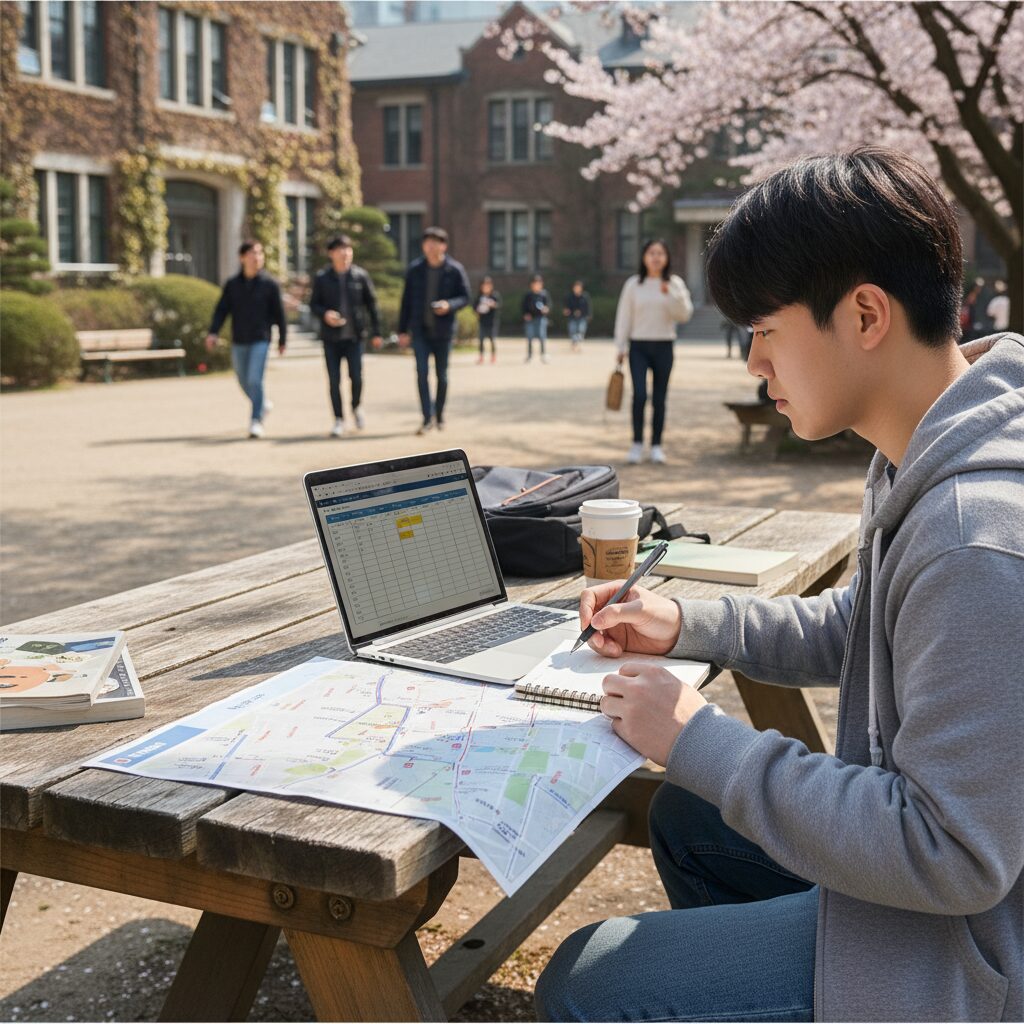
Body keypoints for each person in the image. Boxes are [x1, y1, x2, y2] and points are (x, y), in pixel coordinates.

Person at [536, 148, 1023, 1023]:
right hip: (948, 897)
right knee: (688, 819)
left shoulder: (972, 536)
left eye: (763, 329)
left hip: (968, 952)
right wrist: (684, 619)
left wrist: (701, 736)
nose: (753, 363)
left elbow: (948, 853)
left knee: (586, 981)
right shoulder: (933, 440)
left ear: (865, 313)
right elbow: (856, 626)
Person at [613, 239, 693, 465]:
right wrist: (620, 346)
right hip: (638, 346)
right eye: (651, 253)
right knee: (639, 395)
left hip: (664, 345)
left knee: (660, 398)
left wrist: (670, 294)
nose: (656, 257)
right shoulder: (633, 285)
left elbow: (684, 315)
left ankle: (656, 445)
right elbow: (624, 316)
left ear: (667, 258)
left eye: (660, 253)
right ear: (643, 257)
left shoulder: (674, 283)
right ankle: (637, 443)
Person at [206, 240, 287, 439]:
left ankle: (255, 420)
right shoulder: (232, 285)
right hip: (239, 339)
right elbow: (221, 310)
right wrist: (213, 332)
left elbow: (279, 314)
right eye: (252, 254)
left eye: (260, 254)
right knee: (243, 380)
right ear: (242, 257)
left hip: (261, 339)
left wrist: (282, 339)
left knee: (254, 379)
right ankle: (262, 404)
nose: (257, 257)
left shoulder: (270, 284)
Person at [398, 226, 470, 435]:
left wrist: (449, 304)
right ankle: (426, 417)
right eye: (427, 242)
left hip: (444, 331)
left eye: (435, 242)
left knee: (442, 375)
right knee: (421, 373)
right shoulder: (415, 270)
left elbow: (466, 297)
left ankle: (439, 414)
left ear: (443, 246)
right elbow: (406, 301)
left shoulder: (455, 269)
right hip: (420, 331)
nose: (431, 246)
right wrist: (402, 330)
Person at [309, 234, 382, 438]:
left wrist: (377, 332)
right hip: (331, 338)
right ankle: (339, 419)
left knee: (356, 377)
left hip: (354, 338)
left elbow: (372, 305)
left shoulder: (360, 276)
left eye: (348, 249)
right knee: (334, 380)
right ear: (331, 253)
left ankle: (356, 407)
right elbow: (313, 304)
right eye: (341, 249)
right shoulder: (323, 278)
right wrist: (325, 314)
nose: (345, 253)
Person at [523, 274, 551, 363]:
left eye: (539, 283)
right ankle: (530, 354)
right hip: (530, 319)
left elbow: (548, 305)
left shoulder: (544, 294)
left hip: (541, 318)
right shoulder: (528, 295)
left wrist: (546, 309)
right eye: (535, 283)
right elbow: (523, 306)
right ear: (531, 284)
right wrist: (526, 314)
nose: (537, 285)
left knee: (542, 336)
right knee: (530, 336)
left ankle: (543, 354)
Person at [475, 276, 501, 364]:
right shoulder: (479, 297)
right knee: (481, 340)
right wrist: (478, 309)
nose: (486, 287)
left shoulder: (494, 296)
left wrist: (492, 305)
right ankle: (481, 357)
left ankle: (493, 356)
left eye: (488, 285)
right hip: (482, 321)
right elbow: (474, 307)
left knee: (492, 339)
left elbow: (499, 306)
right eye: (484, 285)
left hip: (492, 322)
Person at [563, 280, 592, 352]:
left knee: (580, 330)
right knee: (573, 331)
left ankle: (578, 344)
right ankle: (574, 344)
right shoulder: (570, 297)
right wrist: (567, 311)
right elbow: (566, 307)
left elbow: (588, 307)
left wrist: (588, 315)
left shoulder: (585, 296)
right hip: (572, 317)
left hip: (582, 317)